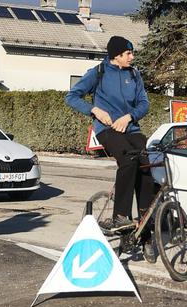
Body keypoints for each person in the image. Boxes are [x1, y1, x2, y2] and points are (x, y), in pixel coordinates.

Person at [66, 36, 155, 237]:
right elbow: (71, 97)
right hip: (107, 130)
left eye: (132, 53)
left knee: (146, 166)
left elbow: (144, 103)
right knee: (128, 161)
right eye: (128, 53)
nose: (132, 57)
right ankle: (120, 215)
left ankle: (145, 220)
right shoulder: (98, 73)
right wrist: (95, 110)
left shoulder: (134, 75)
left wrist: (129, 116)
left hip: (130, 128)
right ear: (116, 56)